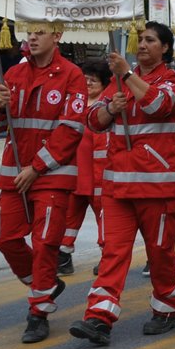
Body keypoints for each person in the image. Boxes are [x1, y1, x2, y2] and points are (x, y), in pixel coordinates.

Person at [69, 23, 175, 346]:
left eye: (151, 40)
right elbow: (93, 120)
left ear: (165, 47)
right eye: (141, 40)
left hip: (159, 188)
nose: (143, 45)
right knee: (113, 252)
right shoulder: (121, 82)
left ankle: (167, 307)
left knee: (160, 253)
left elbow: (158, 106)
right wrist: (110, 108)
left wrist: (126, 75)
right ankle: (99, 316)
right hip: (118, 186)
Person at [0, 21, 87, 344]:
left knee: (45, 244)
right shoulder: (14, 73)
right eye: (29, 32)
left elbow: (71, 129)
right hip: (14, 173)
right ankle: (44, 283)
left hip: (52, 175)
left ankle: (38, 312)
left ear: (57, 36)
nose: (31, 37)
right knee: (4, 237)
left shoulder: (72, 75)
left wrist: (37, 167)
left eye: (40, 32)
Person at [59, 58, 112, 277]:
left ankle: (108, 256)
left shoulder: (107, 105)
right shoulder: (73, 103)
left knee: (105, 215)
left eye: (93, 80)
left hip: (100, 173)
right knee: (69, 213)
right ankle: (62, 255)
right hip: (75, 171)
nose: (87, 84)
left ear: (103, 82)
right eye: (85, 79)